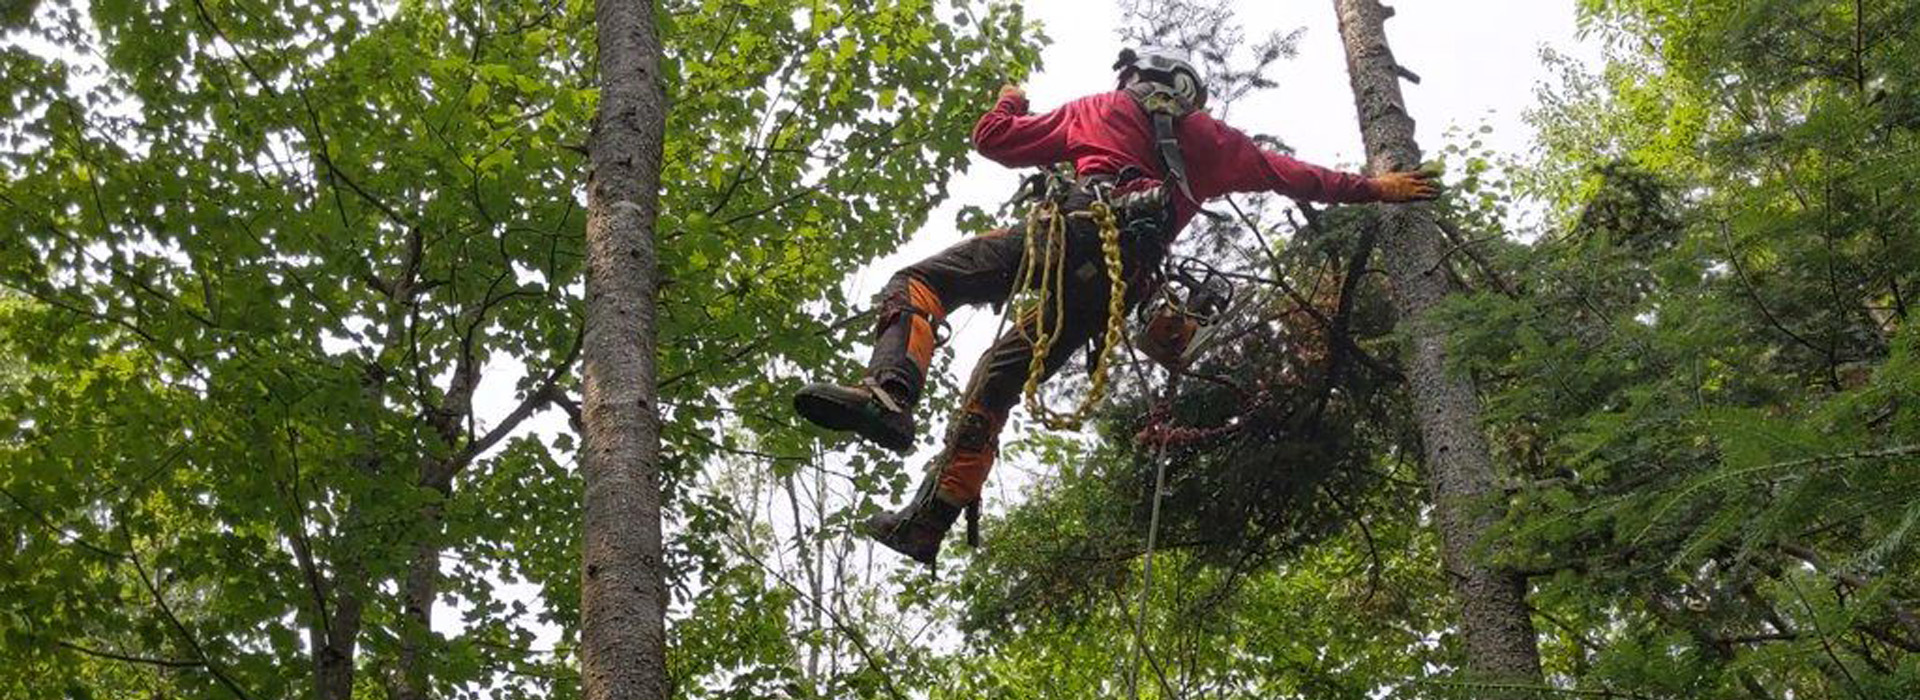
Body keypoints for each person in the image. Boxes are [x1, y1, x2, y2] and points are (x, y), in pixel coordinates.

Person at [793, 47, 1439, 565]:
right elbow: (1291, 174)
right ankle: (927, 524)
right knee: (996, 383)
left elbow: (992, 138)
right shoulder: (1214, 141)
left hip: (1066, 232)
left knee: (920, 283)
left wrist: (1011, 98)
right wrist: (1376, 187)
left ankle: (890, 392)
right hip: (1112, 287)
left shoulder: (1099, 107)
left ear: (1142, 77)